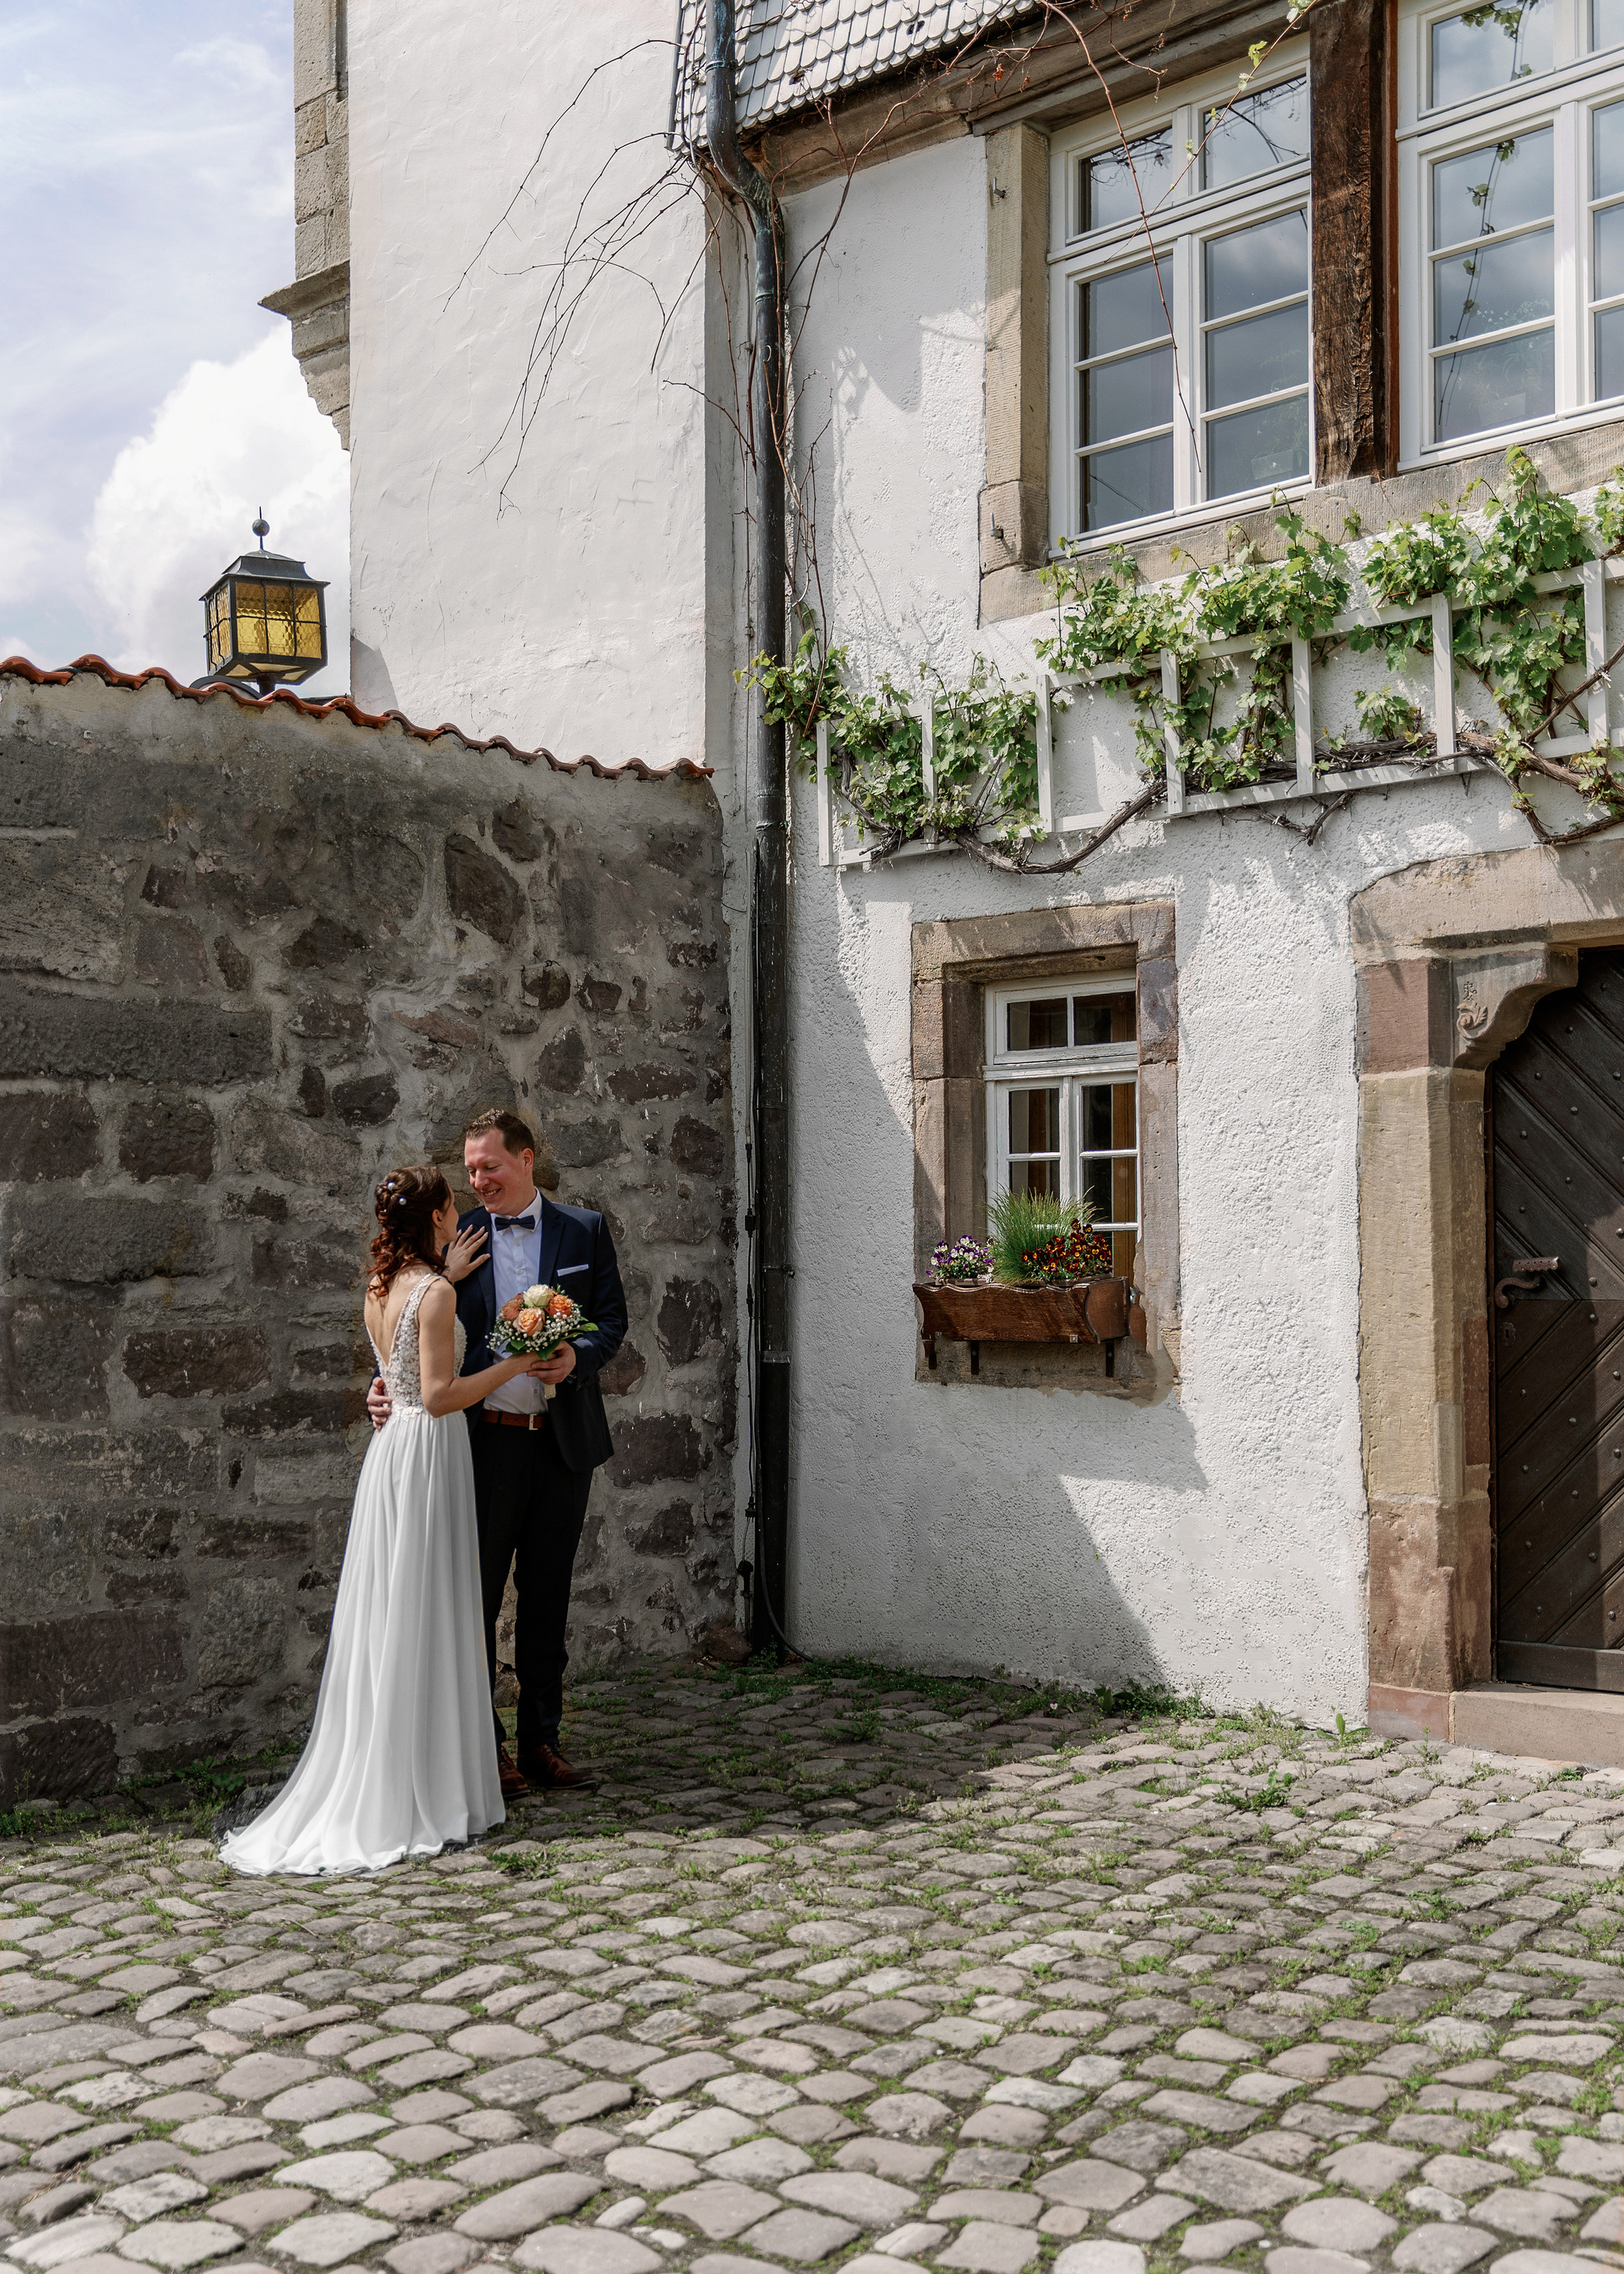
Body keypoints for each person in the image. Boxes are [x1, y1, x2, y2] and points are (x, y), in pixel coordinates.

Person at [221, 1166, 551, 1876]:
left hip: (391, 1453)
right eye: (450, 1203)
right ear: (434, 1216)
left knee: (397, 1611)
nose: (459, 1209)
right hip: (431, 1450)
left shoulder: (380, 1286)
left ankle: (402, 1763)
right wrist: (513, 1361)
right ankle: (429, 1784)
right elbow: (437, 1395)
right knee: (427, 1607)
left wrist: (450, 1277)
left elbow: (399, 1367)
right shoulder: (431, 1294)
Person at [368, 1110, 627, 1801]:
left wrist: (577, 1355)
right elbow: (407, 1324)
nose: (478, 1180)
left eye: (489, 1166)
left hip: (563, 1443)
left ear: (527, 1159)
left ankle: (543, 1739)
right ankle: (486, 1748)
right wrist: (380, 1385)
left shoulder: (584, 1229)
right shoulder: (457, 1240)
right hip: (485, 1445)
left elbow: (612, 1319)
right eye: (470, 1170)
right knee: (474, 1600)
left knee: (547, 1596)